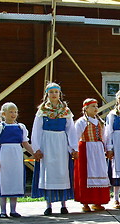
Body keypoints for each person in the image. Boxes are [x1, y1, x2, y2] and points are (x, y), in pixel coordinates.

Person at [31, 83, 78, 215]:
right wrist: (37, 148)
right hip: (47, 143)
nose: (53, 95)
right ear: (47, 94)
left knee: (62, 171)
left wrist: (73, 147)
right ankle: (48, 205)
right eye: (51, 92)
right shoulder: (42, 111)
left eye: (56, 92)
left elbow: (71, 130)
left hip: (61, 143)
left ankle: (63, 204)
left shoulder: (66, 111)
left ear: (59, 94)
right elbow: (36, 130)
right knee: (48, 171)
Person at [0, 102, 36, 218]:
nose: (13, 114)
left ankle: (13, 210)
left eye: (15, 112)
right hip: (4, 155)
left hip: (16, 156)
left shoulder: (21, 127)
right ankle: (3, 211)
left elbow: (25, 143)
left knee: (15, 181)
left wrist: (35, 154)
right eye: (11, 112)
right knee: (4, 181)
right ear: (4, 114)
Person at [74, 99, 110, 212]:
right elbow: (75, 136)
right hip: (86, 149)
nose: (95, 108)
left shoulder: (100, 122)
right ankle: (85, 202)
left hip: (98, 150)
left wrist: (107, 149)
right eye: (92, 106)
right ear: (86, 108)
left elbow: (104, 137)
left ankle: (97, 201)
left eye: (96, 106)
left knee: (99, 172)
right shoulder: (81, 122)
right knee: (85, 174)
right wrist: (74, 150)